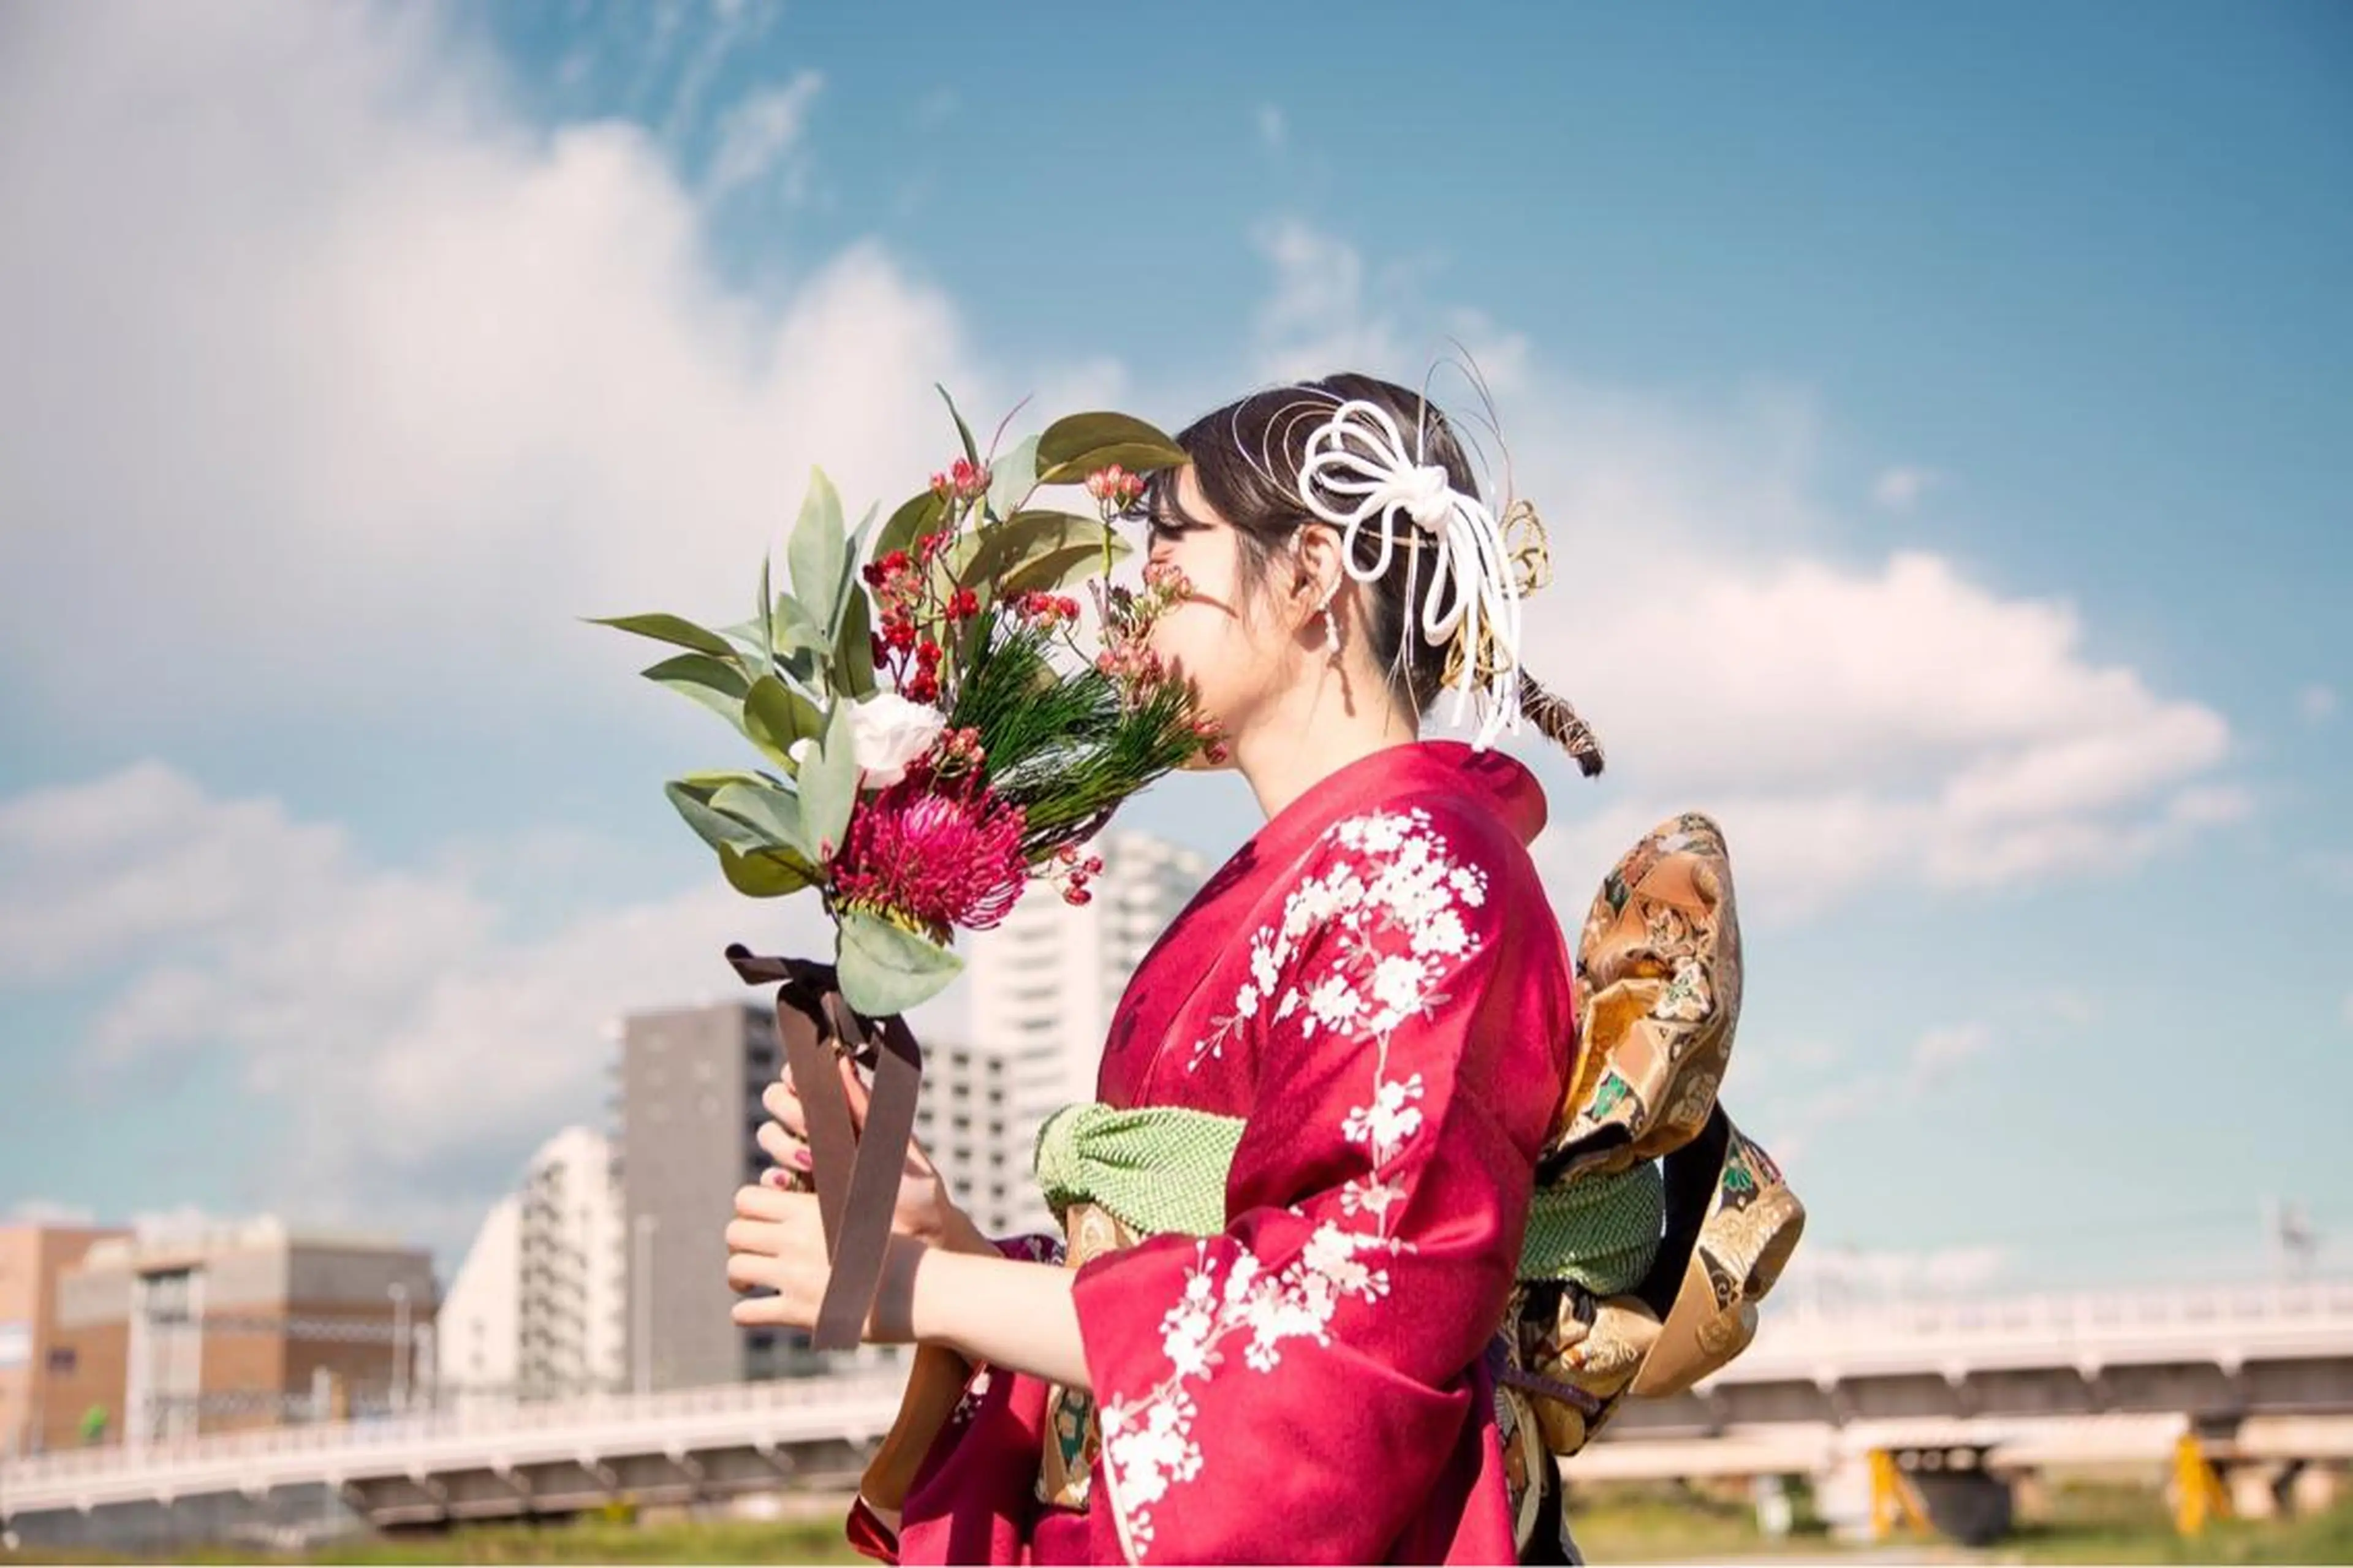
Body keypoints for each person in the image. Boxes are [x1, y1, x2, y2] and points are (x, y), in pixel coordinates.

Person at [725, 373, 1604, 1564]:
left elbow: (1338, 1323)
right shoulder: (1319, 868)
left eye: (1172, 548)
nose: (1135, 609)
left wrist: (921, 1285)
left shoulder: (1419, 869)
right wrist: (957, 1244)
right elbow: (1181, 1270)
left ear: (1307, 575)